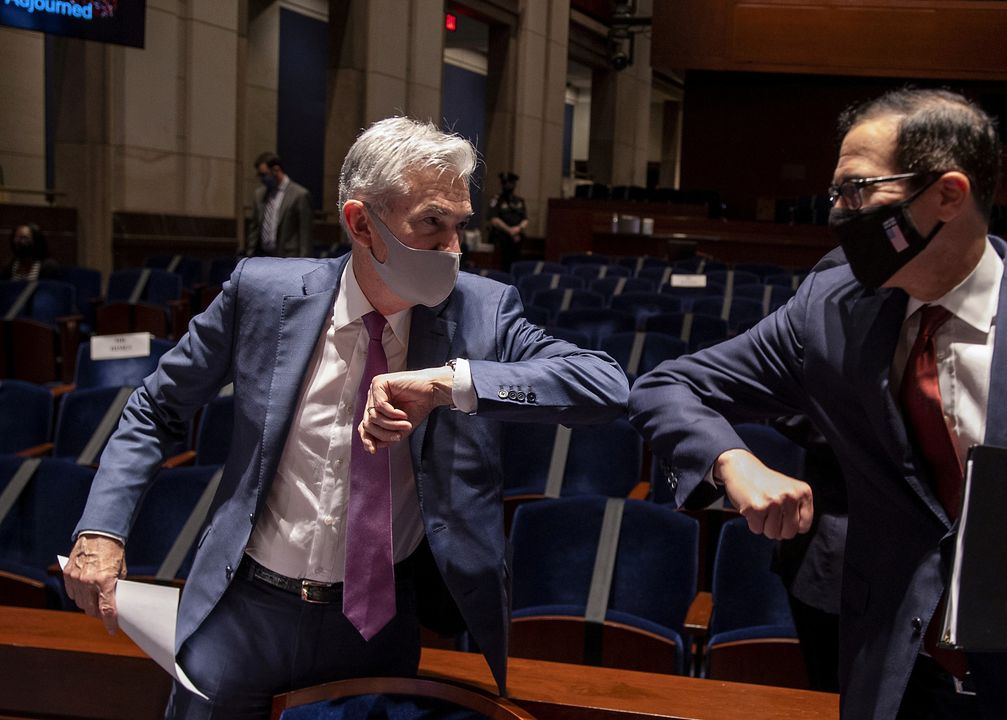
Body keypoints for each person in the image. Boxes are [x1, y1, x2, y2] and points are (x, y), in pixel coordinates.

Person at [629, 89, 1007, 719]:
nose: (839, 214)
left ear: (948, 195)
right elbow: (665, 386)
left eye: (856, 190)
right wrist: (732, 460)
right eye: (836, 194)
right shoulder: (830, 308)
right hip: (895, 672)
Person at [63, 117, 630, 719]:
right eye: (431, 225)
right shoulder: (263, 294)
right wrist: (101, 528)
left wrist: (449, 384)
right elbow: (156, 406)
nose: (454, 249)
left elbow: (605, 385)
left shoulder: (483, 312)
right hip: (244, 610)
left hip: (375, 623)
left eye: (460, 225)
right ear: (362, 223)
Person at [248, 152, 314, 257]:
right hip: (263, 257)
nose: (262, 179)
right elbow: (254, 229)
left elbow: (305, 235)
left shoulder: (299, 195)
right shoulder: (260, 195)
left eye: (264, 175)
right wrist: (249, 257)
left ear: (275, 170)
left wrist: (303, 263)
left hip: (288, 259)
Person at [487, 172, 528, 271]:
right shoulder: (496, 200)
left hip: (516, 241)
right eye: (505, 183)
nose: (508, 185)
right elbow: (494, 219)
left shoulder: (519, 201)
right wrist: (510, 231)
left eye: (510, 183)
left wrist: (518, 229)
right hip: (501, 241)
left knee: (516, 268)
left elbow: (525, 219)